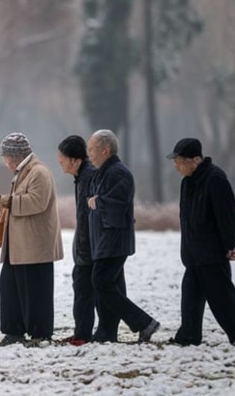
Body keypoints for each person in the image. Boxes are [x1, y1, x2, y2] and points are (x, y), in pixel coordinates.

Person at [0, 133, 63, 345]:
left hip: (34, 247)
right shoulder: (24, 173)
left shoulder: (39, 173)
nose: (5, 162)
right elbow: (18, 205)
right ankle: (14, 332)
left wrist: (5, 200)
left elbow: (36, 203)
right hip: (19, 247)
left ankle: (40, 334)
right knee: (10, 289)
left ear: (14, 156)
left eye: (5, 157)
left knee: (36, 292)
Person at [167, 137, 235, 346]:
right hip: (193, 253)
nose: (176, 166)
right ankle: (188, 336)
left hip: (212, 252)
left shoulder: (215, 179)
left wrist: (232, 244)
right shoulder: (187, 182)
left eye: (179, 161)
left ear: (195, 160)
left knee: (222, 298)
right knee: (190, 296)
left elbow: (228, 215)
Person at [86, 129, 161, 343]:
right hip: (105, 239)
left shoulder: (118, 172)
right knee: (111, 285)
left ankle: (144, 322)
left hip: (114, 239)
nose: (89, 154)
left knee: (101, 282)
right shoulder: (104, 171)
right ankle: (107, 332)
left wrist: (98, 202)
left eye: (92, 149)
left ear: (105, 150)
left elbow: (118, 203)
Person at [56, 134, 99, 346]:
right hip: (85, 245)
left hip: (90, 246)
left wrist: (84, 246)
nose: (60, 162)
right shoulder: (82, 176)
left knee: (85, 290)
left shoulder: (89, 176)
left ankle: (83, 334)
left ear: (75, 159)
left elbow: (90, 215)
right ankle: (81, 332)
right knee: (82, 288)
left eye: (62, 158)